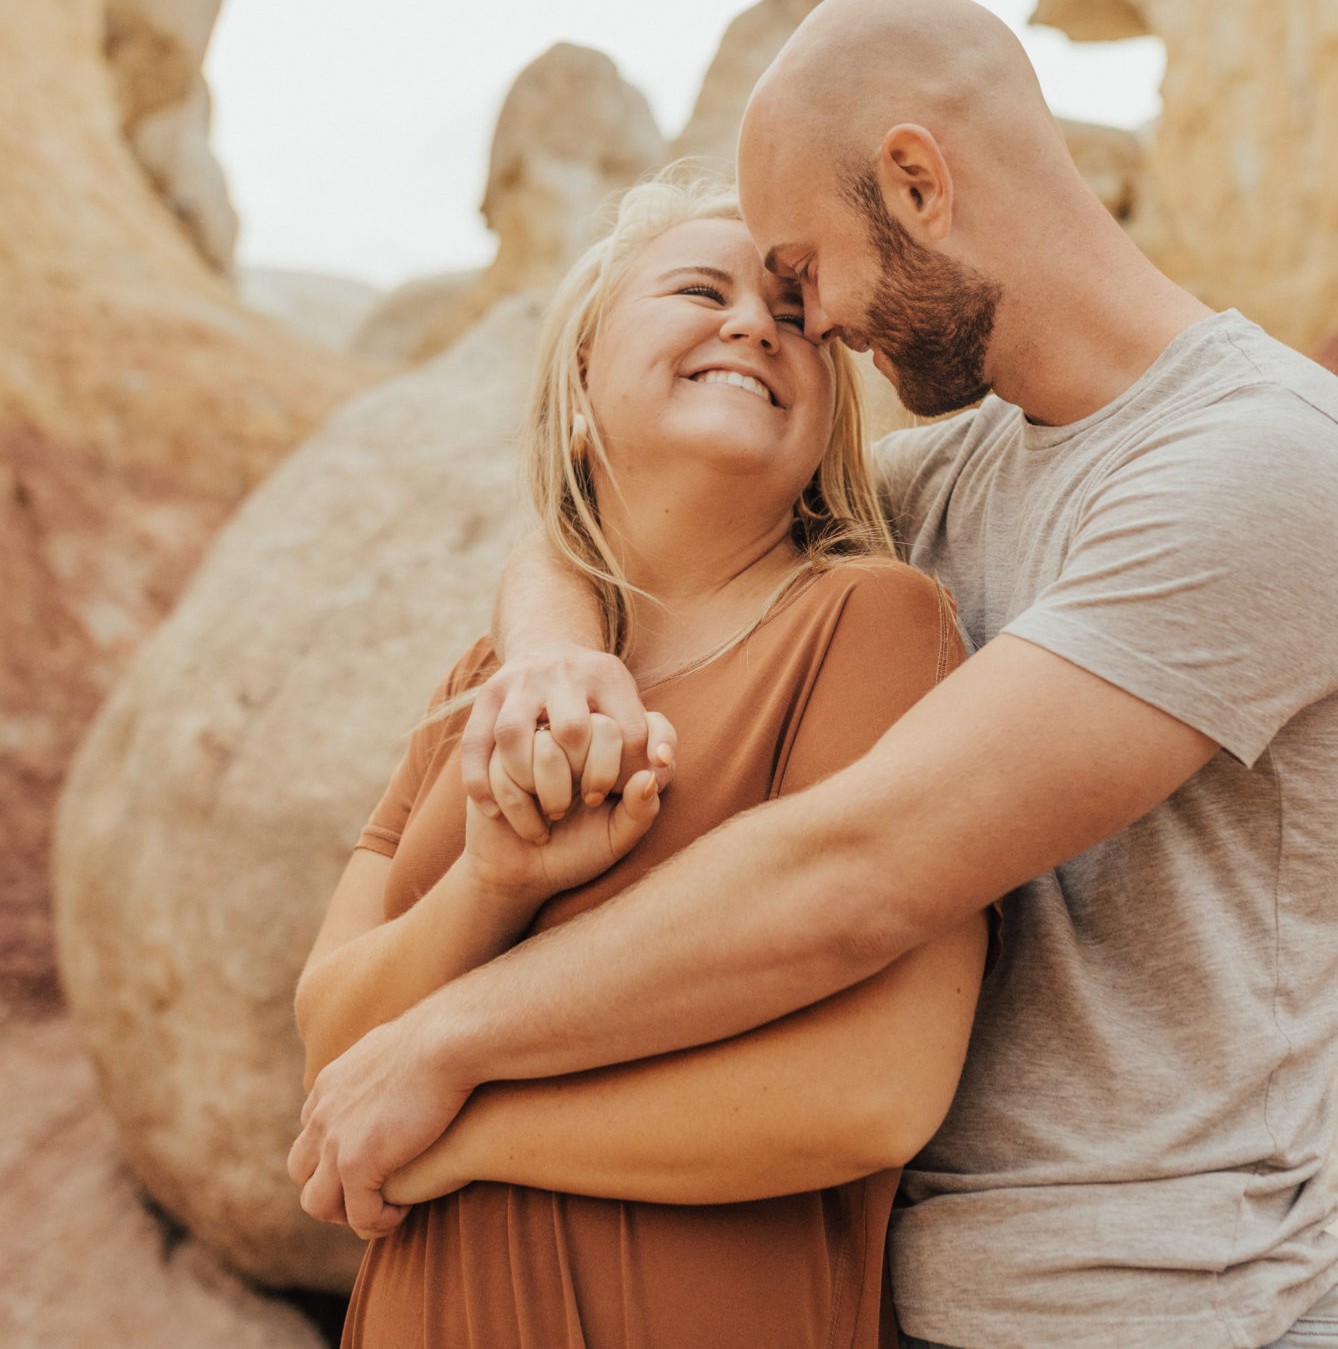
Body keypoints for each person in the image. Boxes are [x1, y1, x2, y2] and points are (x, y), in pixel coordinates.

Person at [294, 0, 1338, 1349]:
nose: (805, 322)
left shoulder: (1257, 464)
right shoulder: (946, 477)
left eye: (797, 269)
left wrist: (447, 1050)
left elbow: (854, 872)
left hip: (1167, 1301)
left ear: (916, 181)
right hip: (922, 1301)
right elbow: (630, 539)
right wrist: (555, 653)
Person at [291, 170, 988, 1349]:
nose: (751, 323)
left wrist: (453, 1126)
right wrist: (496, 884)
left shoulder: (870, 625)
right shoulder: (485, 685)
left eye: (788, 312)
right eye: (697, 288)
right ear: (578, 375)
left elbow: (870, 1096)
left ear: (828, 415)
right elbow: (332, 1040)